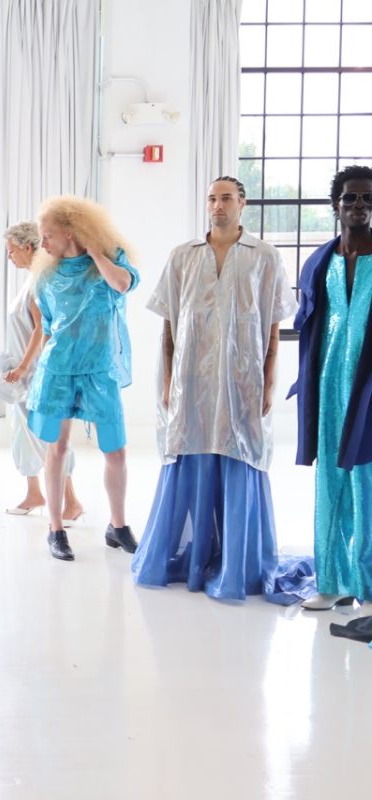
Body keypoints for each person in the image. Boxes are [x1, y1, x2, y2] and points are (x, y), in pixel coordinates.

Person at [131, 177, 296, 600]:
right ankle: (194, 554)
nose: (217, 205)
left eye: (225, 198)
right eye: (211, 198)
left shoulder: (265, 257)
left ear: (242, 203)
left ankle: (237, 561)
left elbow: (273, 327)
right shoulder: (183, 257)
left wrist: (269, 381)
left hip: (243, 380)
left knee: (240, 451)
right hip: (190, 381)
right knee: (192, 452)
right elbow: (169, 325)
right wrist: (167, 380)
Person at [28, 195, 139, 562]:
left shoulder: (109, 262)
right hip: (58, 369)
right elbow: (45, 323)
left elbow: (123, 284)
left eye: (47, 235)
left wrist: (96, 253)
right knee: (57, 448)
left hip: (99, 370)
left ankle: (118, 525)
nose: (42, 243)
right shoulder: (46, 274)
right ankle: (55, 528)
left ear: (70, 231)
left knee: (116, 450)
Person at [291, 165, 372, 614]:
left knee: (368, 484)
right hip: (327, 386)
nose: (358, 206)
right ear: (336, 205)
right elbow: (313, 327)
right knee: (330, 482)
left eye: (366, 199)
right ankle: (333, 580)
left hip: (368, 389)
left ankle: (370, 586)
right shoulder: (321, 261)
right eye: (350, 198)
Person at [0, 221, 83, 522]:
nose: (9, 257)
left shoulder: (39, 282)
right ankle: (34, 492)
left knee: (46, 437)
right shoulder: (31, 279)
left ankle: (71, 502)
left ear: (27, 247)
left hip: (34, 372)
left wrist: (23, 367)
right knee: (24, 435)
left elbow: (41, 329)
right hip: (23, 370)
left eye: (11, 251)